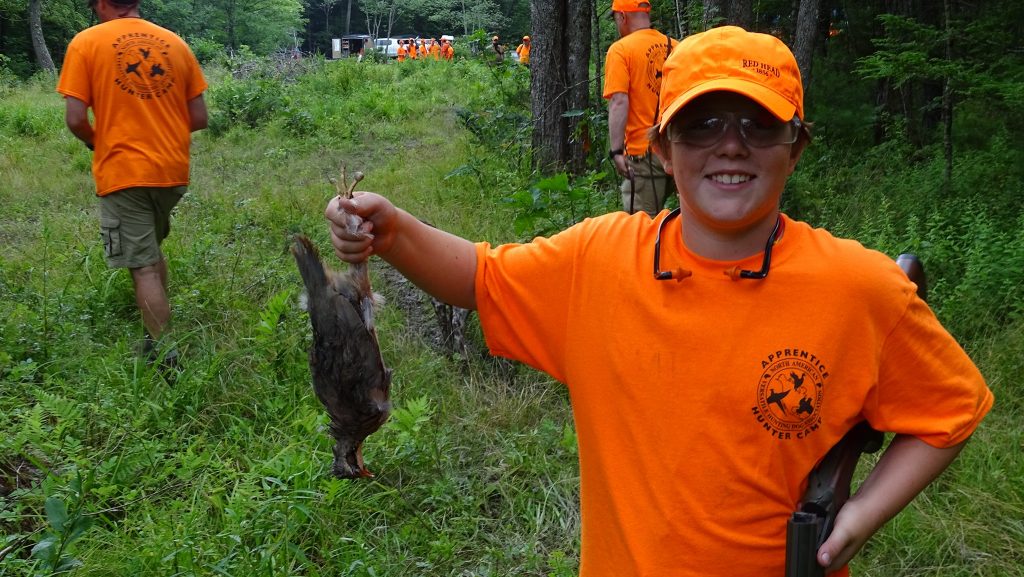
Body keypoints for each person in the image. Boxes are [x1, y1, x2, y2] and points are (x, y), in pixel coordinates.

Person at [324, 26, 993, 576]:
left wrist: (860, 514)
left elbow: (951, 410)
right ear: (664, 149)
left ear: (796, 147)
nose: (730, 144)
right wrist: (393, 230)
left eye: (759, 124)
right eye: (701, 124)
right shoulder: (598, 261)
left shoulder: (859, 286)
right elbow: (478, 277)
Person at [57, 0, 208, 368]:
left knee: (142, 267)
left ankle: (164, 356)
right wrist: (159, 134)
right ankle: (155, 331)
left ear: (102, 4)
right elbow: (199, 117)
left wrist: (98, 141)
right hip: (172, 171)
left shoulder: (86, 43)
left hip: (125, 172)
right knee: (150, 252)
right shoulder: (175, 43)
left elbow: (75, 119)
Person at [604, 0, 678, 216]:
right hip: (678, 149)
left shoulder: (620, 50)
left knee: (640, 226)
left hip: (643, 154)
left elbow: (619, 101)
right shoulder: (675, 47)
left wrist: (616, 151)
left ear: (622, 17)